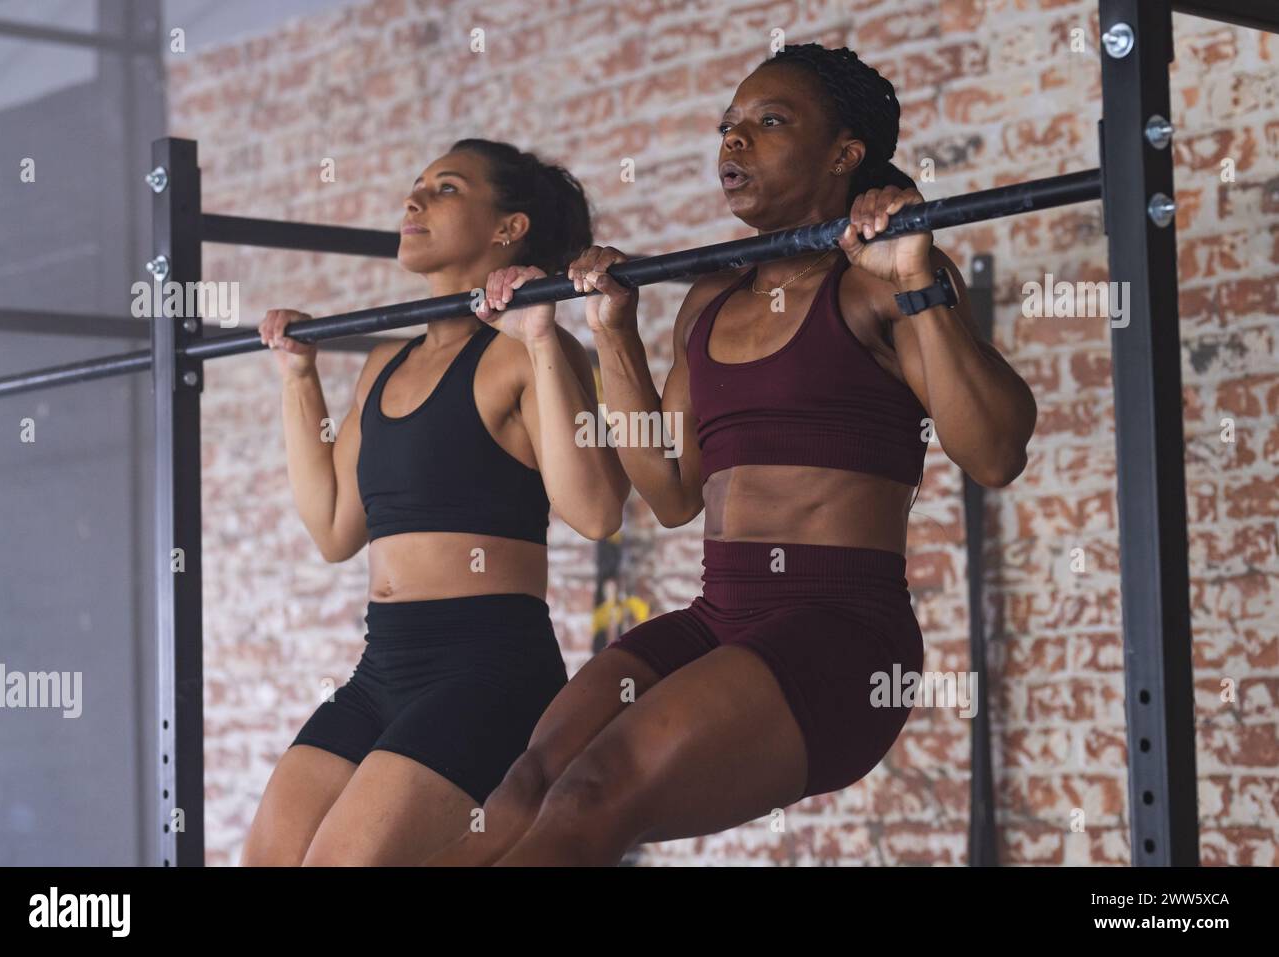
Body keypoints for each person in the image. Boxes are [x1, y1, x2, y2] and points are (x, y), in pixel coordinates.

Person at [424, 43, 1036, 866]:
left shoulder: (882, 280)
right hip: (720, 616)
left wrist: (917, 283)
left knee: (590, 795)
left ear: (845, 154)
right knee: (527, 782)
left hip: (841, 637)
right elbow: (672, 491)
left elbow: (996, 452)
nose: (733, 144)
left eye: (768, 123)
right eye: (728, 127)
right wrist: (612, 331)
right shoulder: (710, 298)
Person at [240, 139, 630, 865]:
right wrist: (299, 380)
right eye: (415, 185)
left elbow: (600, 510)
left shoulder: (525, 351)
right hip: (382, 665)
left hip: (489, 669)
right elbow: (332, 529)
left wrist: (543, 338)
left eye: (444, 189)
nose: (412, 201)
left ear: (506, 228)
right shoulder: (386, 365)